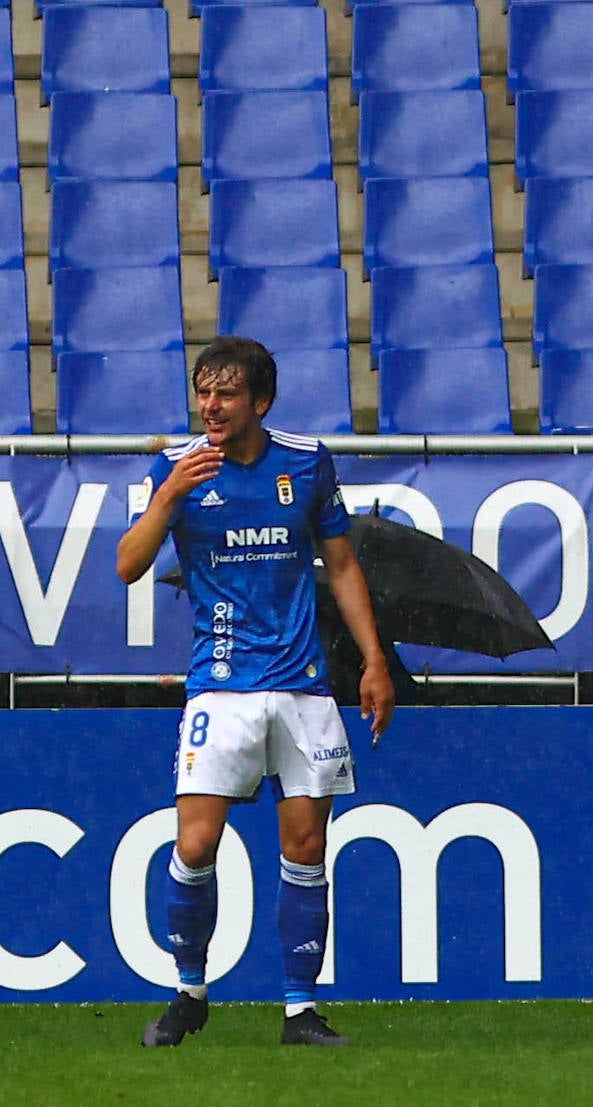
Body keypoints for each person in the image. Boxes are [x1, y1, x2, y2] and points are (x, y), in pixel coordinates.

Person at [117, 337, 396, 1048]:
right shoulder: (175, 467)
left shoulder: (305, 461)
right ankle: (189, 991)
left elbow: (340, 562)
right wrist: (172, 492)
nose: (210, 405)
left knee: (306, 848)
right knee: (197, 840)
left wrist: (372, 661)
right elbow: (127, 564)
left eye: (226, 393)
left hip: (304, 686)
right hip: (221, 686)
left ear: (260, 402)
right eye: (203, 391)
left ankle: (300, 1011)